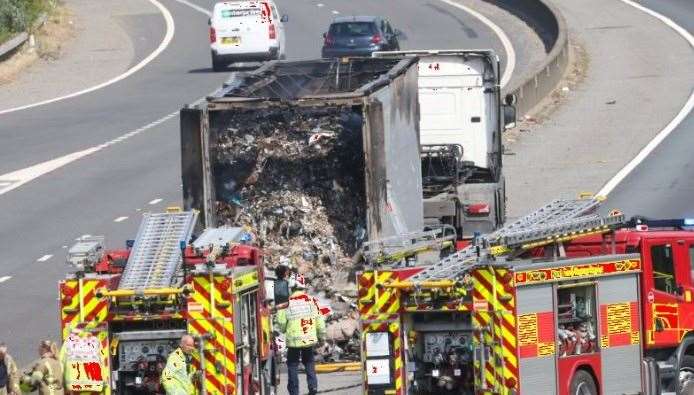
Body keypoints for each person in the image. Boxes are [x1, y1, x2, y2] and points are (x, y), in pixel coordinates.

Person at [276, 274, 326, 395]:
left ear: (291, 287)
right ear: (303, 287)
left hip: (293, 342)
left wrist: (284, 329)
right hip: (308, 340)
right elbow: (320, 322)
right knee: (309, 363)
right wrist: (321, 337)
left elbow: (282, 325)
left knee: (292, 366)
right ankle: (313, 387)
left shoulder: (287, 302)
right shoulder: (311, 301)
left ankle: (294, 391)